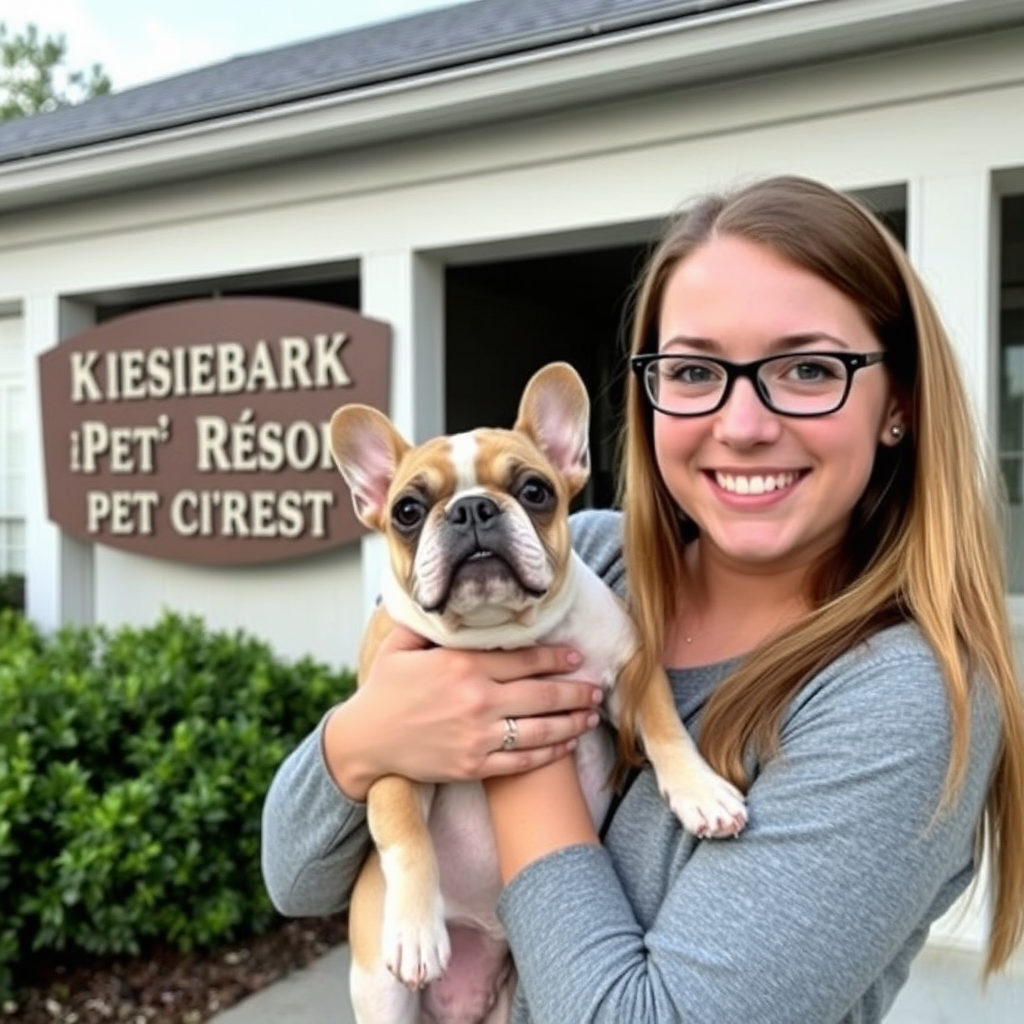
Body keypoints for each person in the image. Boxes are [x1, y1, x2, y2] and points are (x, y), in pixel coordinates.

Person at [261, 174, 1024, 1023]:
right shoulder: (588, 555)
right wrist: (362, 738)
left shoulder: (902, 698)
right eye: (696, 370)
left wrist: (509, 733)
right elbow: (295, 877)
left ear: (900, 405)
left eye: (808, 368)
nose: (743, 423)